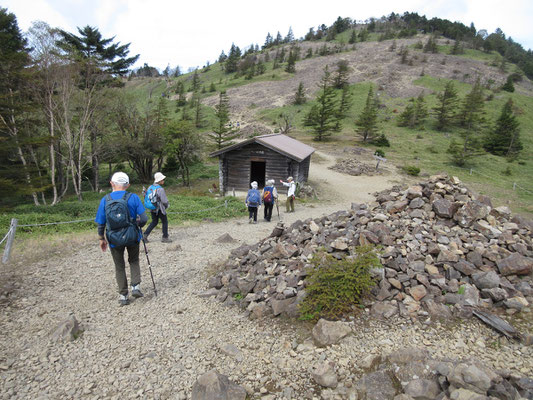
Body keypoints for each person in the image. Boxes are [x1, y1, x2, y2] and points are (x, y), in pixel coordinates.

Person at [95, 172, 148, 306]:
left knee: (119, 266)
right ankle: (135, 287)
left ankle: (123, 295)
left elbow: (101, 222)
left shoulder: (105, 200)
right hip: (132, 235)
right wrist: (137, 225)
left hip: (114, 238)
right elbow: (144, 219)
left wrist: (101, 238)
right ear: (128, 185)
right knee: (134, 260)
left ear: (112, 183)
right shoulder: (133, 197)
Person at [143, 172, 172, 243]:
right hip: (160, 209)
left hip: (152, 208)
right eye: (163, 179)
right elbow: (164, 201)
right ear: (160, 180)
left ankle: (145, 235)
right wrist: (167, 206)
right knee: (165, 222)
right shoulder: (160, 189)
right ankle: (165, 237)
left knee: (154, 222)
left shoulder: (150, 187)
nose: (163, 180)